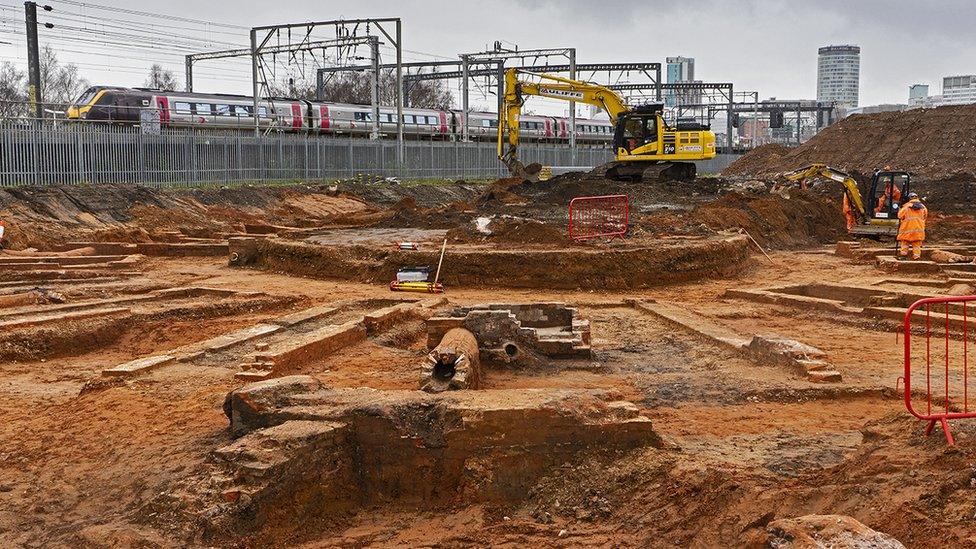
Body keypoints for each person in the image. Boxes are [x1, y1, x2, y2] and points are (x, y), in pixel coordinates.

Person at [897, 192, 927, 260]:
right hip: (918, 230)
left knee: (905, 243)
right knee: (916, 245)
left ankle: (903, 256)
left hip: (907, 229)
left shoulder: (906, 207)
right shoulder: (923, 207)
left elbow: (900, 216)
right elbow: (925, 216)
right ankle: (916, 257)